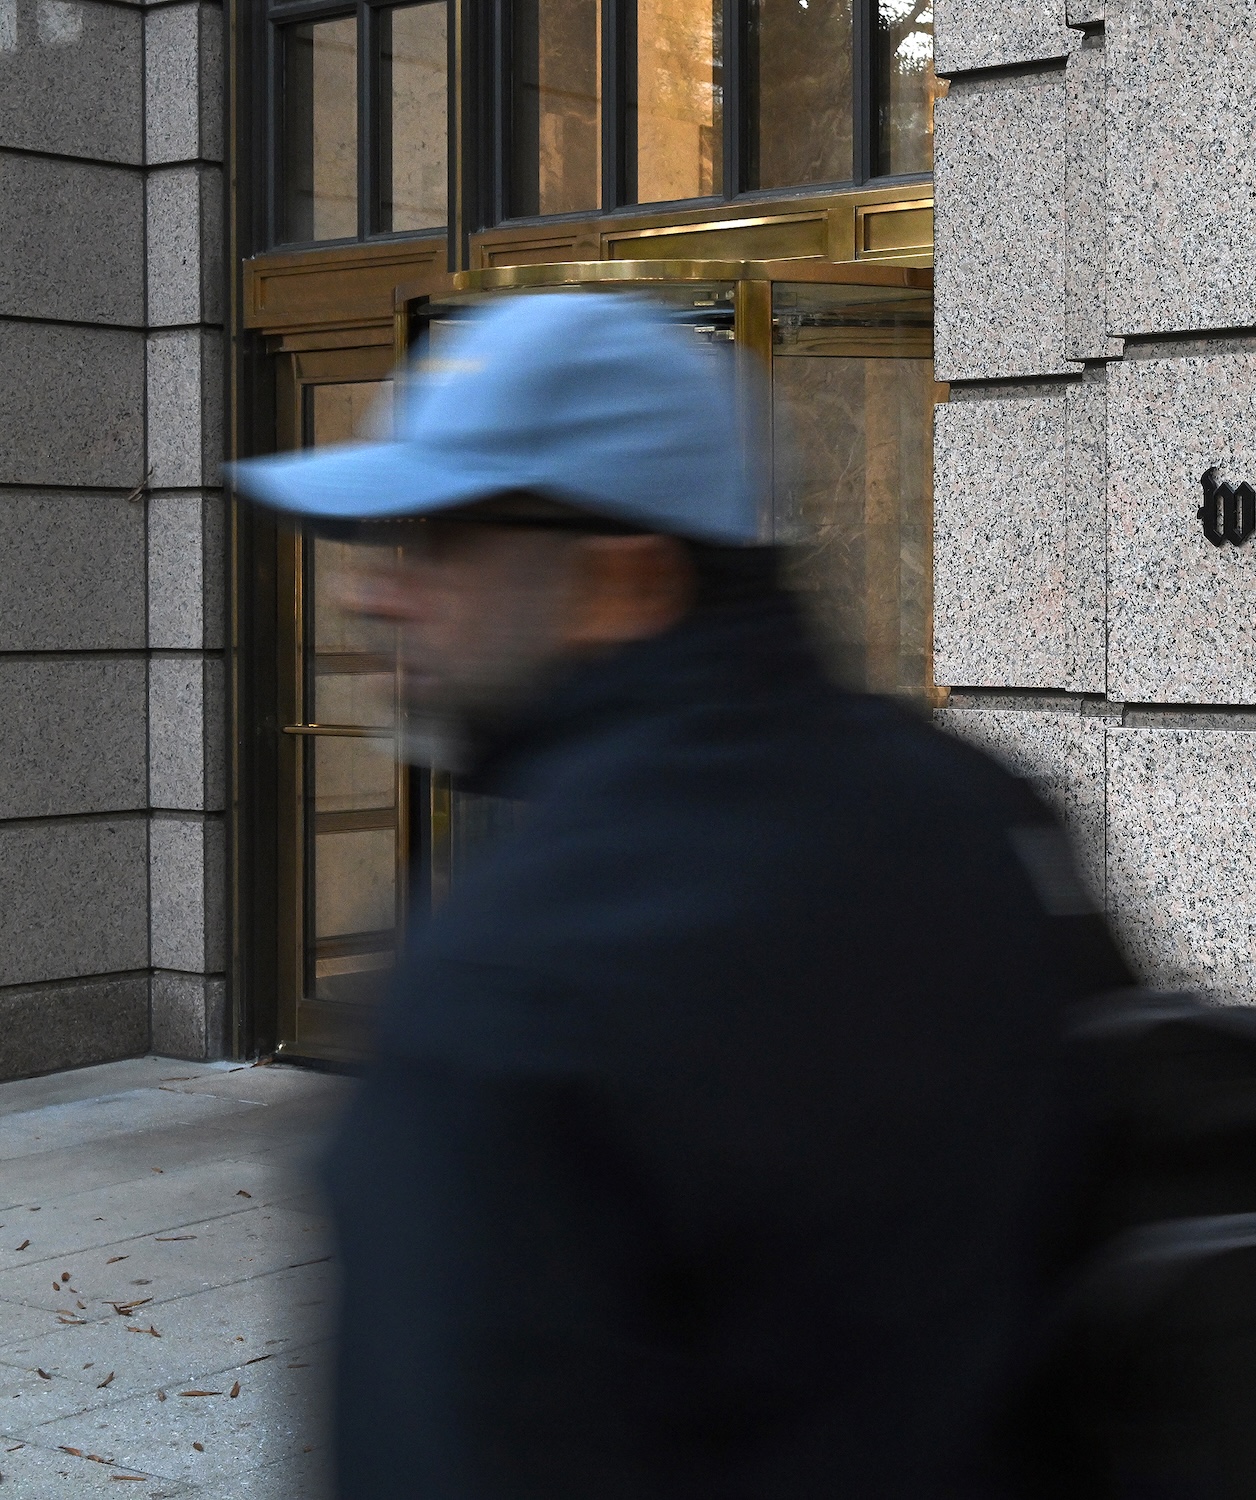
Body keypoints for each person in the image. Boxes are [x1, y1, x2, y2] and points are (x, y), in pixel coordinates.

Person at [231, 294, 1132, 1499]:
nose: (373, 594)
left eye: (439, 538)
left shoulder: (512, 976)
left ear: (626, 580)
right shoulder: (983, 813)